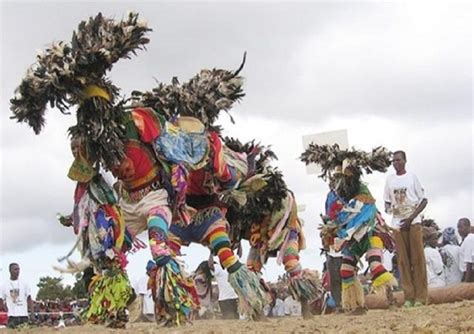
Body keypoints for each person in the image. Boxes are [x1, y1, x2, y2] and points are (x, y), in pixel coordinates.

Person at [384, 150, 428, 307]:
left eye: (398, 160)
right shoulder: (390, 180)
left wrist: (411, 217)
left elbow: (423, 200)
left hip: (413, 221)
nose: (396, 163)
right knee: (403, 260)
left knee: (417, 258)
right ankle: (408, 296)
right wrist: (391, 209)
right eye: (393, 161)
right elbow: (387, 201)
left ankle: (421, 297)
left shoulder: (412, 177)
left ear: (404, 161)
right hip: (398, 223)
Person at [0, 263, 32, 328]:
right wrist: (4, 308)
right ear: (10, 270)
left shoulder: (24, 283)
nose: (18, 271)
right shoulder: (4, 285)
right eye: (15, 269)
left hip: (23, 316)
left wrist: (32, 313)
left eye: (18, 269)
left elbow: (29, 298)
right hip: (12, 317)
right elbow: (1, 299)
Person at [458, 218, 474, 282]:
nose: (459, 230)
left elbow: (469, 262)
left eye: (461, 227)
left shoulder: (469, 239)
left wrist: (466, 282)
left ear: (468, 227)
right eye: (458, 227)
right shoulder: (469, 239)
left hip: (469, 275)